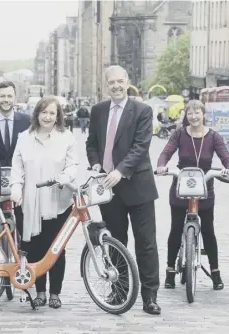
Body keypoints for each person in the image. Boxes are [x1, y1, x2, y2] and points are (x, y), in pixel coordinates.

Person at [86, 65, 161, 315]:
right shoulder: (97, 111)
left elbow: (141, 147)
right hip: (109, 189)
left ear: (128, 81)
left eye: (120, 81)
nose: (116, 86)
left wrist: (120, 170)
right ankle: (120, 290)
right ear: (105, 85)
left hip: (137, 186)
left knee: (146, 244)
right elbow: (92, 143)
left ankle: (150, 296)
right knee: (115, 241)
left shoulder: (142, 110)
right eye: (111, 83)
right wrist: (96, 163)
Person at [156, 100, 229, 291]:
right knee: (175, 229)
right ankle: (170, 272)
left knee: (208, 230)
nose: (193, 117)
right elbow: (166, 153)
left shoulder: (213, 136)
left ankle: (215, 273)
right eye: (190, 113)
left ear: (203, 114)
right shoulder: (179, 134)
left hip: (205, 188)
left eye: (197, 112)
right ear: (186, 116)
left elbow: (227, 157)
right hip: (181, 188)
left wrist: (228, 169)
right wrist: (161, 166)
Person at [10, 96, 79, 309]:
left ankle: (55, 293)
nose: (47, 117)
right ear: (37, 114)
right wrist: (15, 188)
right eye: (44, 112)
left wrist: (66, 178)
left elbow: (73, 164)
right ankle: (39, 291)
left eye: (52, 113)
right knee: (35, 248)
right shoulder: (24, 137)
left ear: (58, 116)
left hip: (57, 201)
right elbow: (17, 167)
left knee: (56, 248)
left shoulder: (66, 137)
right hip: (29, 201)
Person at [0, 81, 30, 235]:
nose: (6, 99)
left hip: (21, 180)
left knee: (23, 223)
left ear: (15, 98)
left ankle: (22, 253)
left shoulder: (27, 121)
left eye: (9, 96)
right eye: (2, 96)